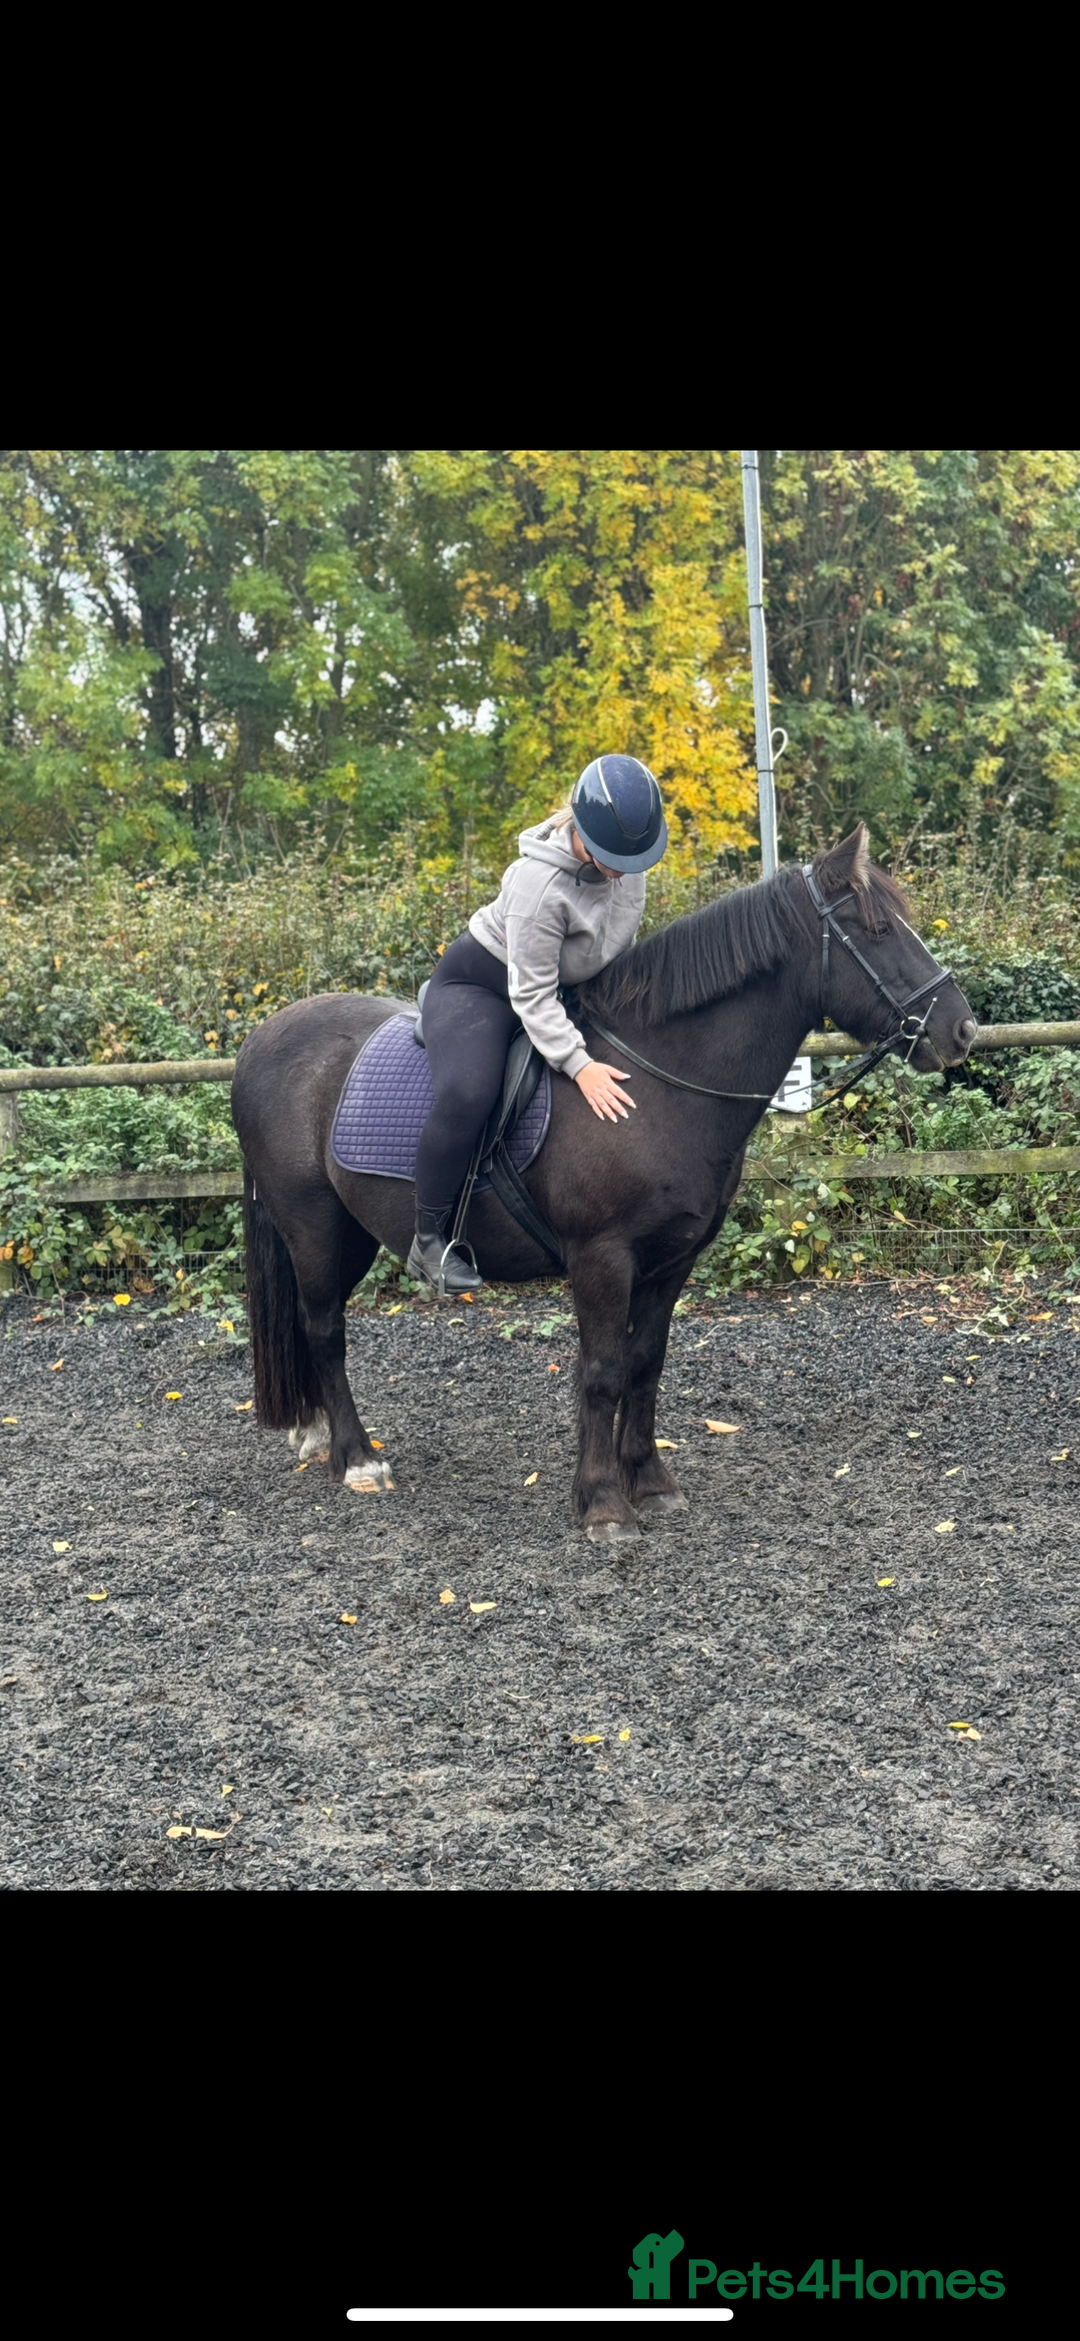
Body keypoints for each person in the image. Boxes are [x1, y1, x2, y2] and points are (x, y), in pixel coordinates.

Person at [408, 753, 669, 1295]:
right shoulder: (538, 887)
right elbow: (531, 993)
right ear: (583, 834)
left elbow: (616, 945)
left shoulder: (627, 862)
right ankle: (428, 1239)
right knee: (469, 1091)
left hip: (569, 983)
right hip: (485, 985)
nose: (625, 868)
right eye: (614, 857)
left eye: (632, 857)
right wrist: (579, 1065)